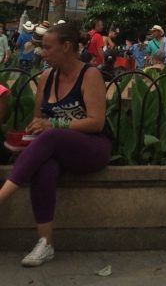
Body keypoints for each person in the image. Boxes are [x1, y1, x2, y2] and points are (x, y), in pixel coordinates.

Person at [0, 21, 112, 267]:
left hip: (91, 148)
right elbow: (40, 119)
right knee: (45, 168)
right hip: (56, 147)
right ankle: (45, 243)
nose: (43, 52)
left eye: (48, 47)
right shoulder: (46, 77)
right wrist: (34, 128)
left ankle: (2, 196)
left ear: (67, 46)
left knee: (51, 135)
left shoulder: (90, 74)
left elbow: (96, 123)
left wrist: (54, 126)